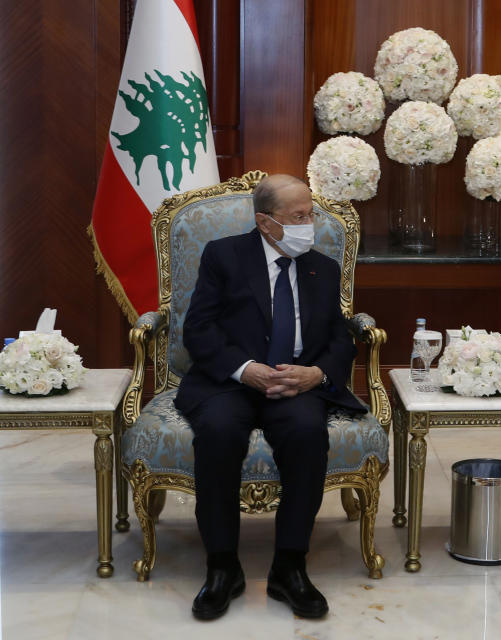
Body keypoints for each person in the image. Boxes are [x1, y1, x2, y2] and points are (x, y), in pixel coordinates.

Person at [174, 174, 365, 620]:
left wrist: (316, 374)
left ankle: (289, 567)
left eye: (311, 214)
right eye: (298, 217)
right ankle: (222, 567)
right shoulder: (224, 256)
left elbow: (341, 338)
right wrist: (246, 370)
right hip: (233, 379)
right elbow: (198, 330)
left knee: (306, 432)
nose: (309, 224)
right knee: (218, 432)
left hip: (297, 381)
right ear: (265, 222)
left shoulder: (322, 267)